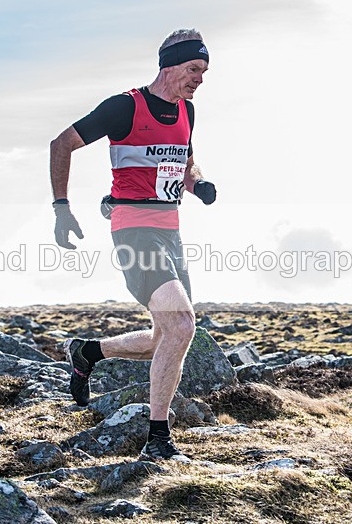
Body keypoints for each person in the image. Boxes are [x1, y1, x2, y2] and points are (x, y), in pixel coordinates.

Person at [49, 28, 217, 462]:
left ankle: (88, 351)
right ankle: (158, 440)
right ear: (170, 65)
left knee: (165, 336)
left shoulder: (188, 112)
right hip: (134, 231)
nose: (200, 78)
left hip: (171, 232)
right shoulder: (126, 106)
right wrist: (62, 208)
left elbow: (184, 160)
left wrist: (197, 184)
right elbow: (62, 143)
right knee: (182, 326)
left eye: (203, 71)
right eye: (194, 69)